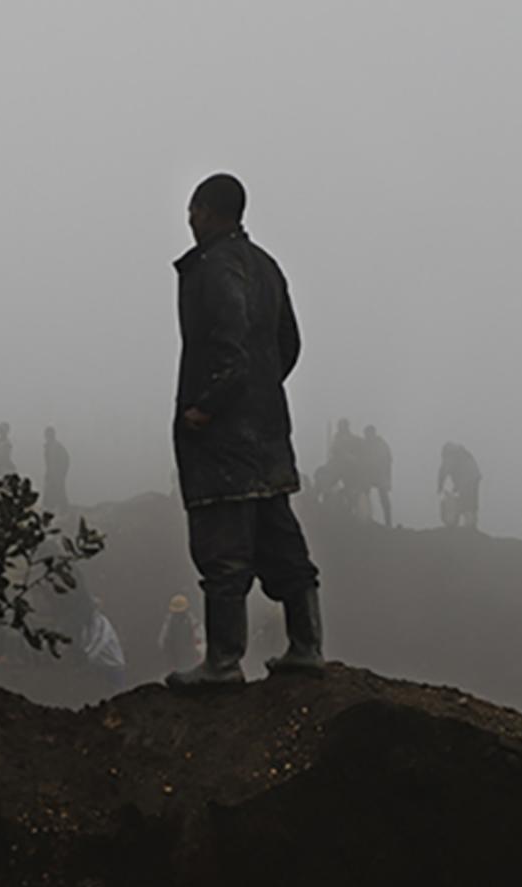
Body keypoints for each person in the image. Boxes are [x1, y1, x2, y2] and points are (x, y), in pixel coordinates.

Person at [166, 172, 322, 687]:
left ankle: (223, 663)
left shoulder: (215, 267)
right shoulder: (268, 267)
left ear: (207, 211)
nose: (189, 221)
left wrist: (208, 407)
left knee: (223, 554)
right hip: (269, 435)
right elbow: (289, 344)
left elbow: (229, 344)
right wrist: (260, 392)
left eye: (193, 211)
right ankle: (306, 646)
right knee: (283, 543)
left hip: (223, 443)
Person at [436, 442, 481, 530]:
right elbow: (461, 471)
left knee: (466, 501)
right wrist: (457, 486)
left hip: (468, 479)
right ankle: (471, 523)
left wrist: (440, 486)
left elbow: (443, 471)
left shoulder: (450, 456)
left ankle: (467, 524)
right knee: (471, 501)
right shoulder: (463, 455)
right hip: (475, 478)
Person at [157, 594, 205, 675]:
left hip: (182, 661)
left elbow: (163, 642)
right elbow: (199, 636)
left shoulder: (171, 621)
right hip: (185, 661)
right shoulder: (188, 619)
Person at [362, 424, 394, 527]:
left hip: (380, 474)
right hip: (369, 474)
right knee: (365, 495)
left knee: (384, 498)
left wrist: (387, 478)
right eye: (367, 434)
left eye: (369, 433)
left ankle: (388, 522)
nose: (368, 436)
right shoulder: (364, 444)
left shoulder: (381, 444)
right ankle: (366, 517)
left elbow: (388, 460)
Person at [43, 426, 71, 514]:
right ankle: (49, 509)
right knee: (50, 491)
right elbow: (48, 462)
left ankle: (63, 510)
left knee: (59, 491)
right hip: (52, 474)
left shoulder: (57, 447)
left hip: (57, 475)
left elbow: (65, 460)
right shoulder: (48, 447)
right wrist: (48, 472)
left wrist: (62, 473)